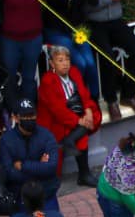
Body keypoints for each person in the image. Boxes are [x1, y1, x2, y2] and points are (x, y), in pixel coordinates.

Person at [43, 0, 102, 107]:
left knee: (89, 62)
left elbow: (94, 1)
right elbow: (52, 1)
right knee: (79, 63)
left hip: (77, 30)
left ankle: (94, 97)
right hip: (57, 30)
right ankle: (78, 97)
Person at [0, 0, 55, 102]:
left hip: (32, 39)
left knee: (29, 76)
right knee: (10, 75)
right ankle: (12, 109)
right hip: (10, 40)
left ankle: (29, 108)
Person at [37, 46, 101, 187]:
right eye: (60, 60)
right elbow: (57, 110)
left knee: (94, 116)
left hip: (76, 112)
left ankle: (70, 140)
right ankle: (84, 174)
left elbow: (84, 94)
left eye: (67, 59)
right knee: (82, 133)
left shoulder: (74, 72)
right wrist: (79, 121)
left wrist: (88, 111)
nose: (65, 63)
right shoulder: (48, 80)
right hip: (56, 121)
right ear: (52, 64)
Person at [0, 98, 62, 209]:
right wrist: (39, 166)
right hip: (21, 197)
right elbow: (9, 172)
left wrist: (23, 166)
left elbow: (51, 167)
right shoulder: (6, 140)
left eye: (32, 115)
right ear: (15, 118)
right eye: (25, 116)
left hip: (46, 194)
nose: (29, 119)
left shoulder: (46, 135)